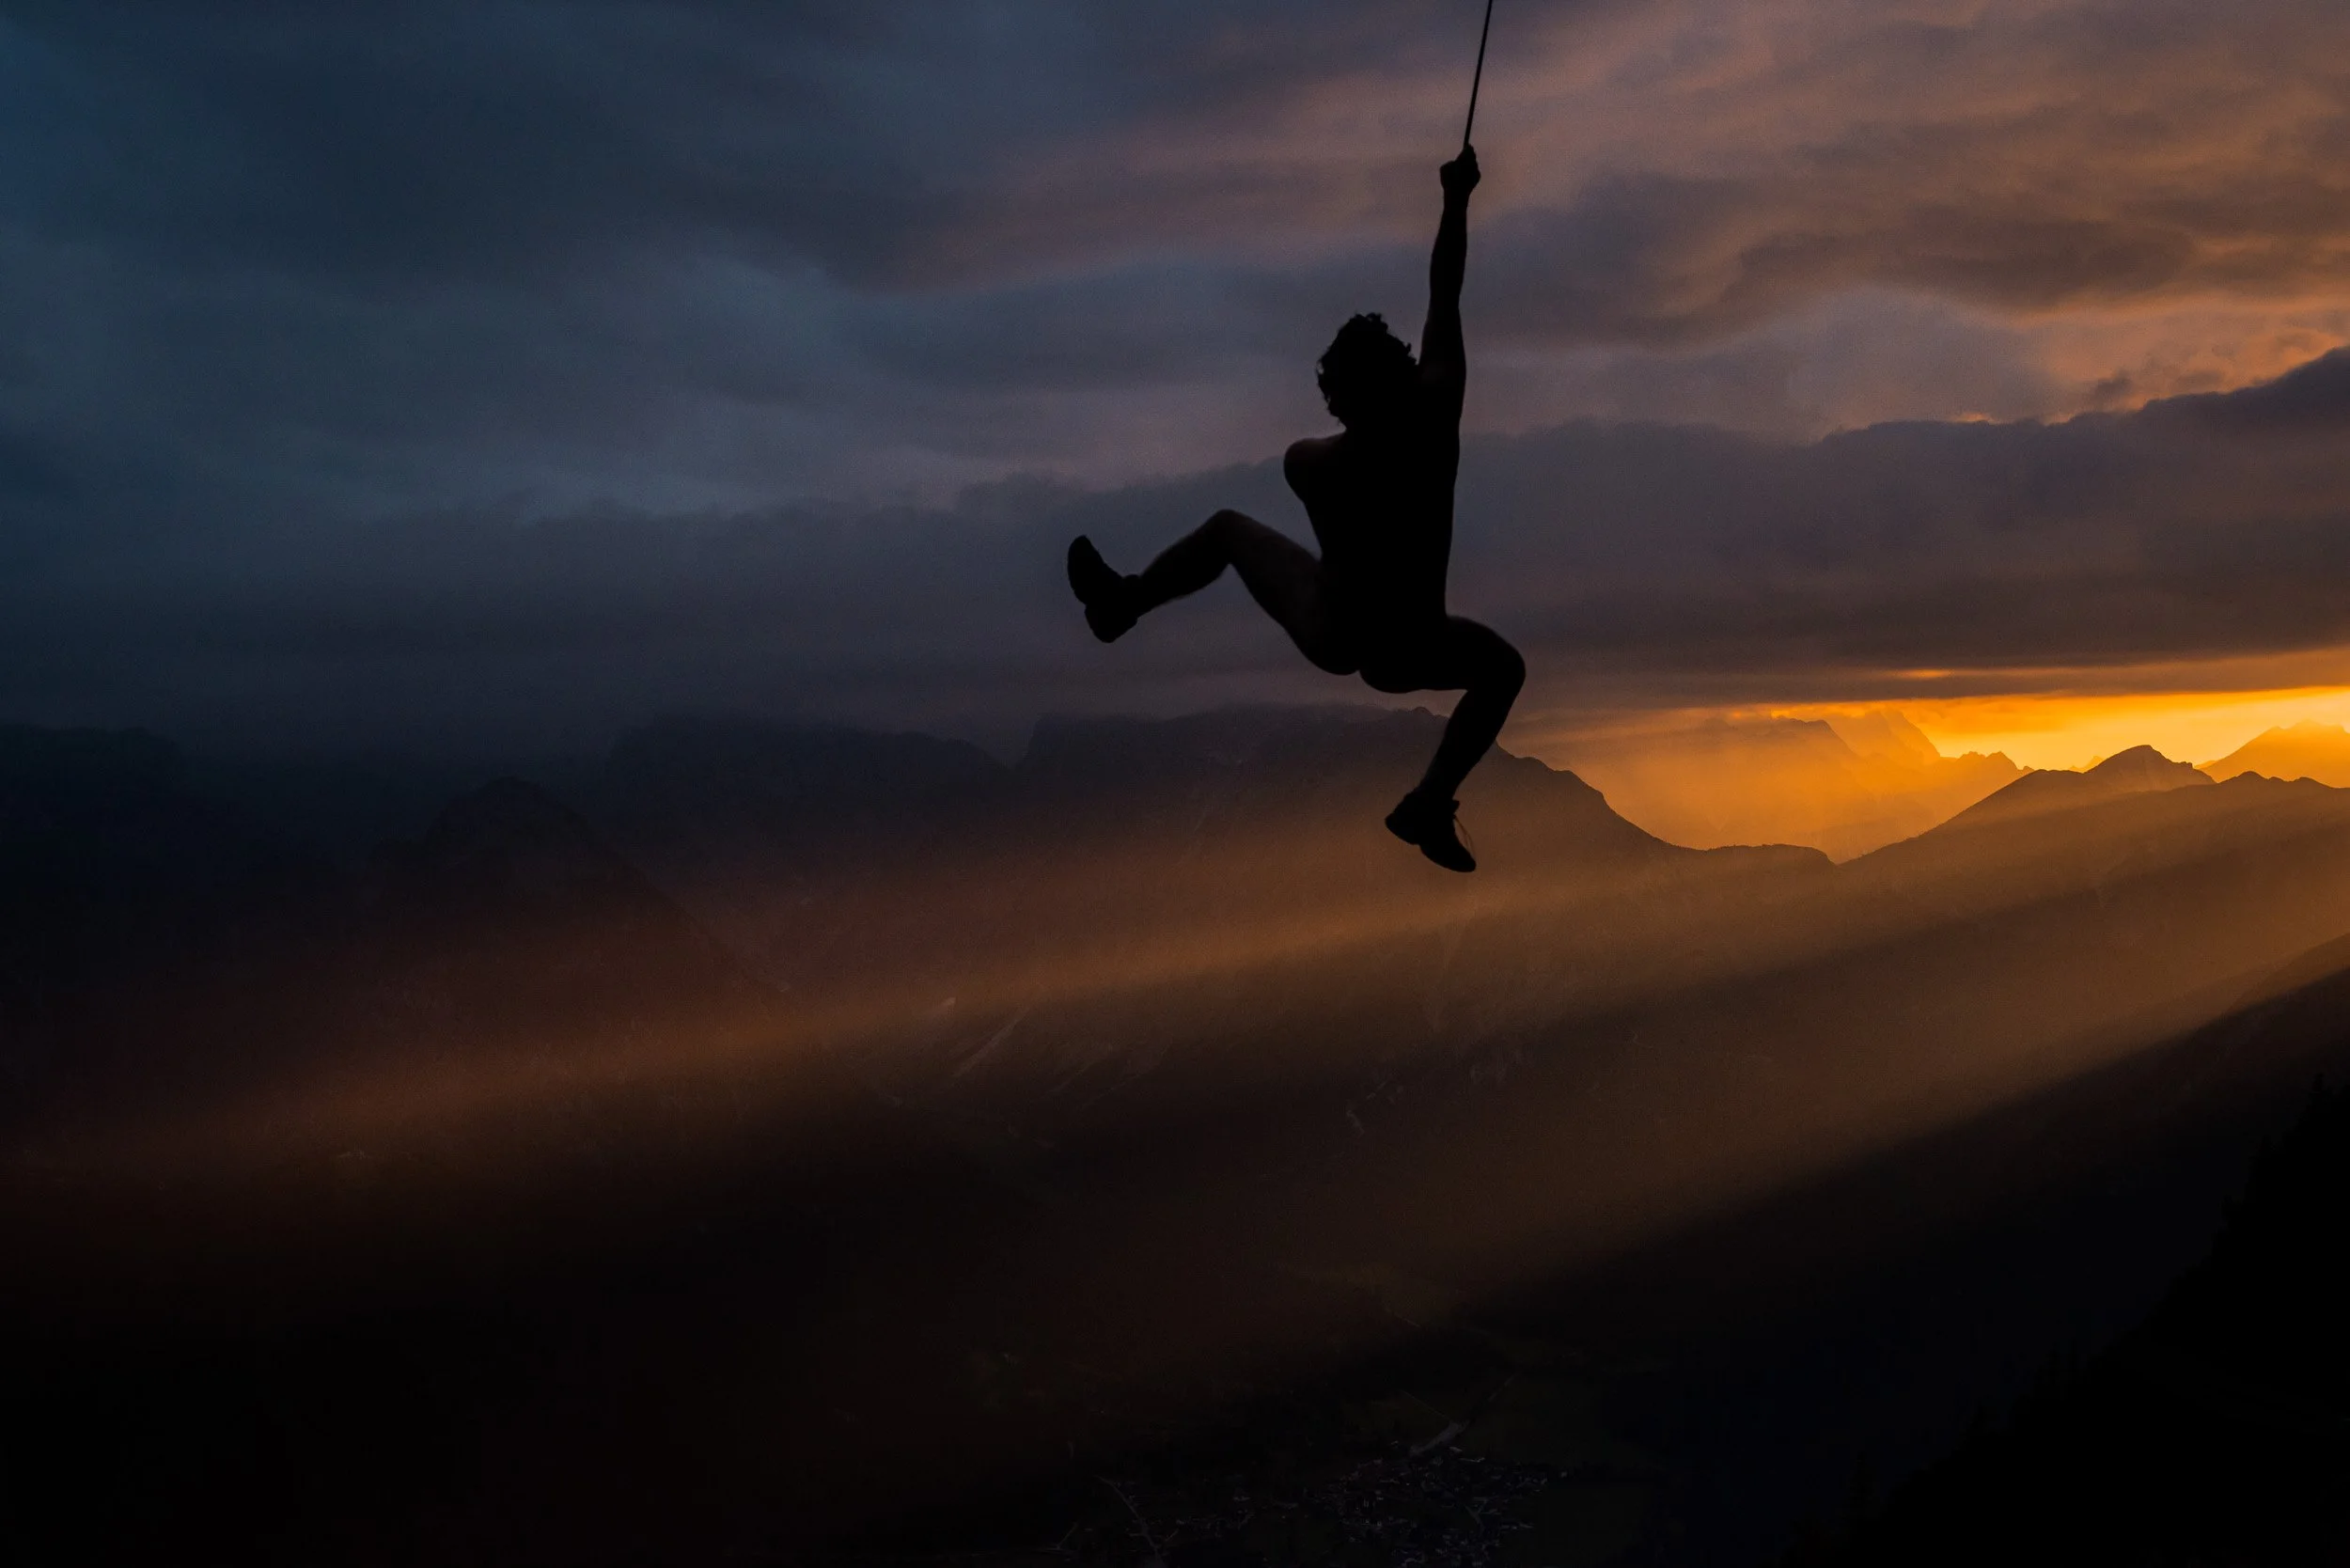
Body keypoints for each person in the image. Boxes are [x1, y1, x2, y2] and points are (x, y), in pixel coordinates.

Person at [1065, 145, 1523, 872]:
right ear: (1398, 374)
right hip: (1409, 642)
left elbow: (1325, 468)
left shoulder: (1313, 466)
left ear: (1343, 397)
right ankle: (1432, 800)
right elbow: (1445, 292)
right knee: (1503, 670)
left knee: (1224, 531)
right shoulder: (1434, 419)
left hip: (1335, 630)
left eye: (1333, 394)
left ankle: (1125, 604)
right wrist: (1456, 199)